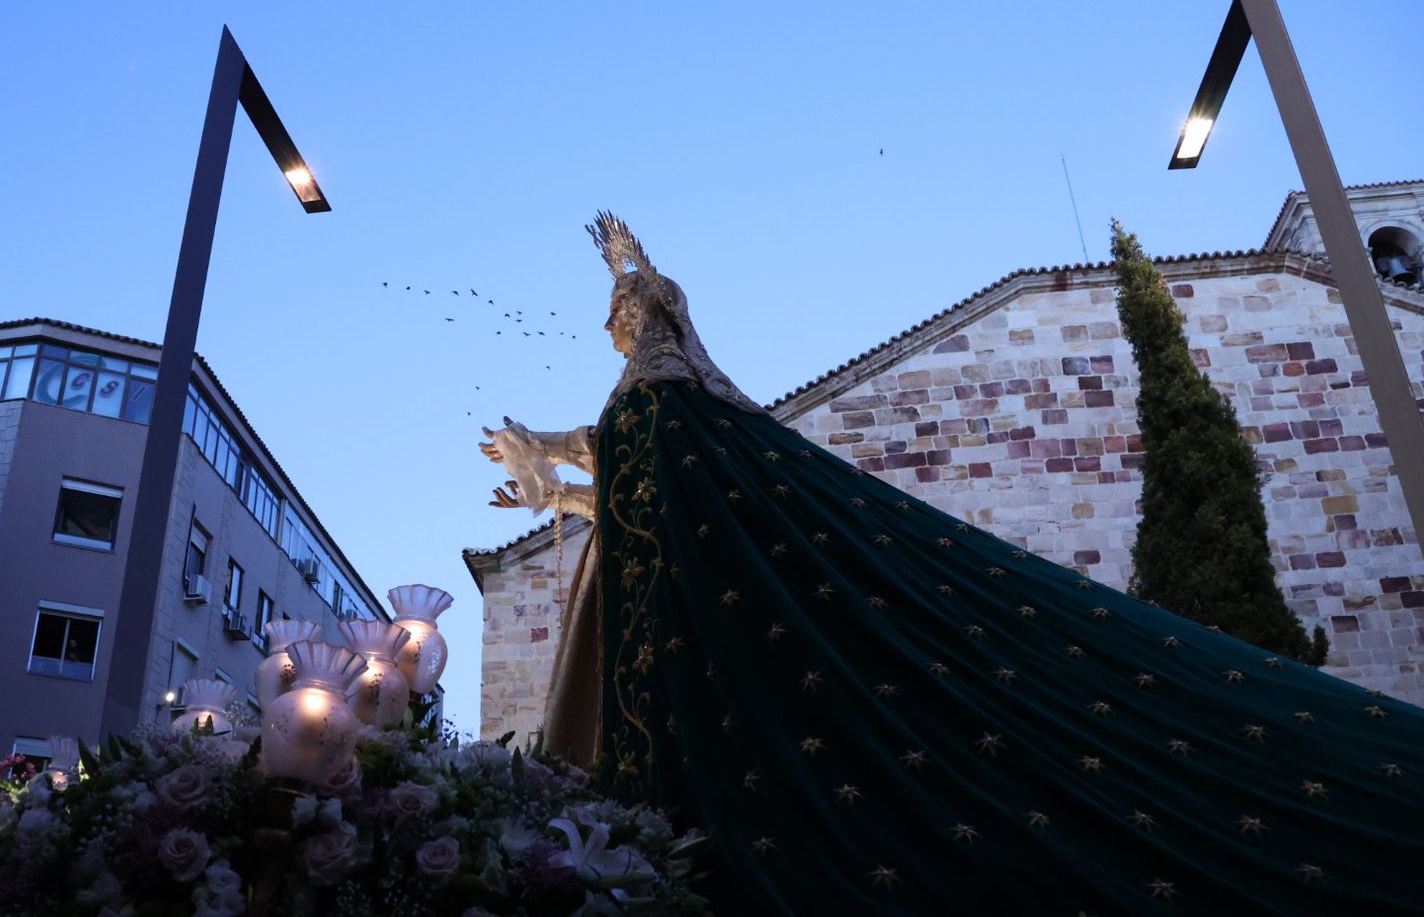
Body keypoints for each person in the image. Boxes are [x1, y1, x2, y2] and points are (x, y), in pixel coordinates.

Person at [479, 213, 1424, 915]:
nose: (614, 323)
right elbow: (630, 501)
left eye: (623, 313)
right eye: (615, 311)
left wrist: (629, 274)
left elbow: (636, 468)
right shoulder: (652, 425)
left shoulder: (663, 399)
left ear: (652, 317)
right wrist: (546, 482)